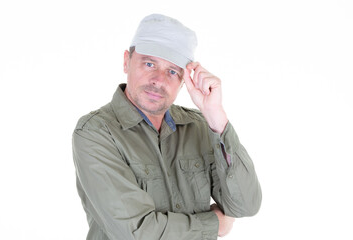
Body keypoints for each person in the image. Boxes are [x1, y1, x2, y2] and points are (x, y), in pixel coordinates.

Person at [72, 14, 262, 240]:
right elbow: (138, 233)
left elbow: (246, 205)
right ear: (126, 61)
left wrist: (217, 119)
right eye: (149, 63)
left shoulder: (199, 127)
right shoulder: (96, 132)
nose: (158, 80)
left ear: (185, 80)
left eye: (172, 71)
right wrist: (214, 224)